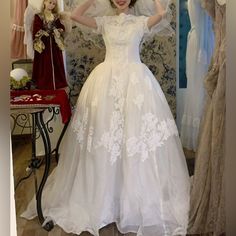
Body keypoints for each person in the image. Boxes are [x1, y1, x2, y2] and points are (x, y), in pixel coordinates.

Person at [22, 0, 190, 235]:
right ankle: (104, 199)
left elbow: (162, 14)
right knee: (104, 140)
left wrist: (153, 1)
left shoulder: (141, 22)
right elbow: (76, 15)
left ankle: (131, 200)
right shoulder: (103, 22)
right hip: (105, 83)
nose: (120, 0)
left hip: (136, 85)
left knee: (133, 138)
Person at [31, 0, 68, 90]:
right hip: (45, 44)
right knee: (45, 63)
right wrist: (43, 32)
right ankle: (45, 83)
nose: (51, 5)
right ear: (44, 2)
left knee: (56, 61)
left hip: (54, 44)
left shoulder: (56, 16)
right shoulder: (39, 16)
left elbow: (61, 26)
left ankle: (58, 82)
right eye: (50, 2)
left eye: (54, 4)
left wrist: (60, 29)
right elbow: (36, 28)